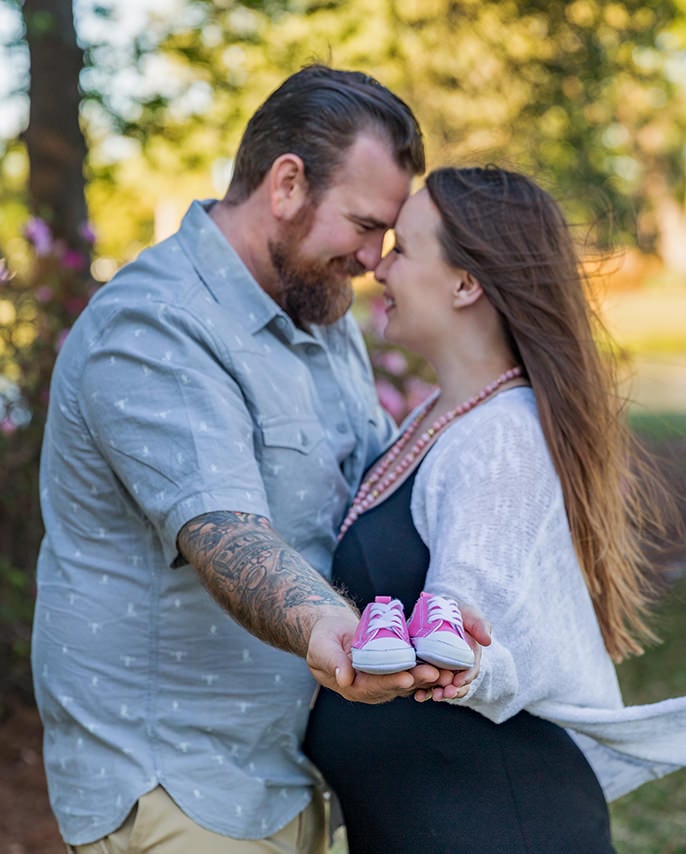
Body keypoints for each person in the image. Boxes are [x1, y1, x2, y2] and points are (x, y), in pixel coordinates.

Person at [31, 66, 486, 854]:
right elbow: (226, 536)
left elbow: (369, 493)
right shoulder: (156, 324)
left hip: (295, 775)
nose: (378, 257)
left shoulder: (316, 311)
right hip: (175, 785)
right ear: (285, 185)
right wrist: (337, 636)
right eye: (364, 224)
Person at [304, 167, 686, 853]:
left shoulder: (500, 437)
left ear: (465, 282)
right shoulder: (443, 420)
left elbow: (474, 627)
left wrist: (460, 660)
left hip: (496, 825)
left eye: (404, 249)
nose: (378, 268)